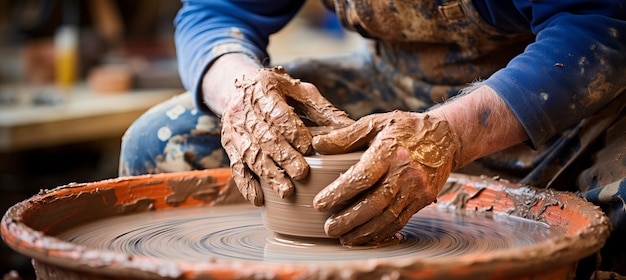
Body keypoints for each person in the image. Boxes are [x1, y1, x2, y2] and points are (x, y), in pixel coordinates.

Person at [119, 0, 626, 276]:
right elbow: (215, 12)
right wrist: (240, 93)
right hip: (392, 85)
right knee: (161, 143)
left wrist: (452, 134)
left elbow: (601, 25)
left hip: (561, 105)